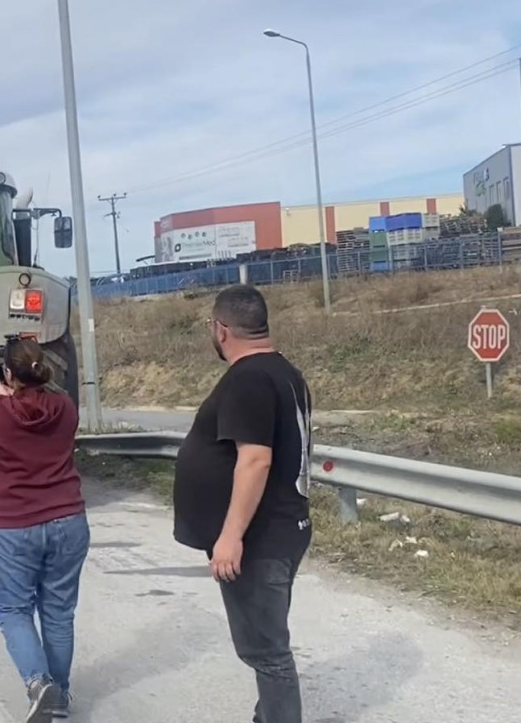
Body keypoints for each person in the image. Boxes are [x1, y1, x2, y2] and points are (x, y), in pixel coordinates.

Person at [173, 285, 313, 723]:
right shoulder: (283, 372)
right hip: (280, 530)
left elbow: (255, 460)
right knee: (264, 644)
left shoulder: (249, 378)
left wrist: (230, 536)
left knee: (268, 653)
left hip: (261, 539)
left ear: (221, 329)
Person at [0, 338, 87, 722]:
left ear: (8, 373)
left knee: (11, 608)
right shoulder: (66, 407)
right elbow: (56, 423)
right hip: (68, 520)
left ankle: (39, 684)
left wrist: (2, 400)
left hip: (14, 525)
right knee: (58, 612)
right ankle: (61, 697)